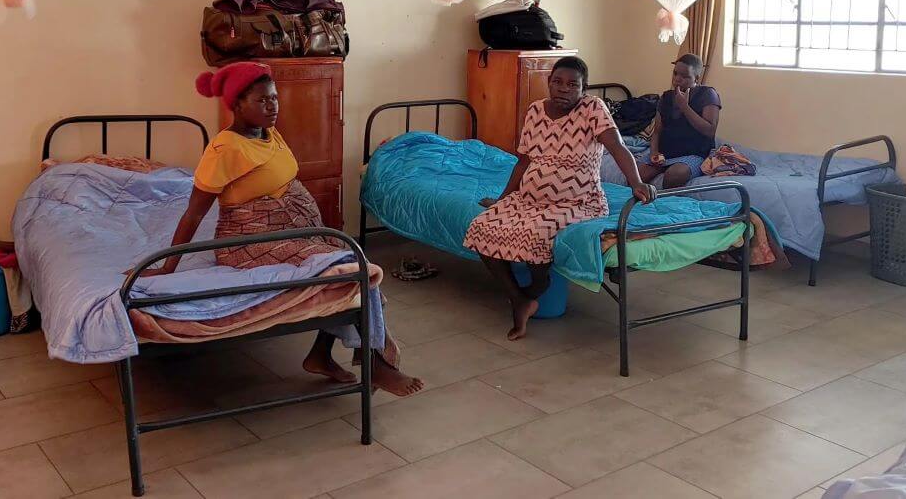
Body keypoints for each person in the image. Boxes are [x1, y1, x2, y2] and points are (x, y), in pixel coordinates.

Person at [139, 61, 424, 396]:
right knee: (348, 266)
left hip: (294, 227)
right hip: (249, 238)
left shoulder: (268, 132)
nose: (272, 106)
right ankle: (379, 362)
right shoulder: (224, 148)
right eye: (262, 101)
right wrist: (167, 266)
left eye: (274, 98)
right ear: (237, 105)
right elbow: (193, 213)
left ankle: (320, 355)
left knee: (345, 264)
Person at [463, 56, 655, 341]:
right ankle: (519, 299)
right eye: (557, 82)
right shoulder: (535, 111)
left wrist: (636, 182)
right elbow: (523, 161)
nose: (563, 89)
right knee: (482, 226)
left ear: (583, 89)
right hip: (530, 198)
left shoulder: (593, 109)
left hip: (579, 201)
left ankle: (534, 292)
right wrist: (503, 199)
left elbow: (617, 147)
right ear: (549, 82)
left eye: (572, 85)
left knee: (535, 234)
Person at [639, 53, 722, 189]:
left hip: (694, 153)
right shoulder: (666, 97)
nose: (677, 79)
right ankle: (639, 207)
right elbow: (657, 132)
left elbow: (710, 130)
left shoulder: (707, 94)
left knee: (675, 175)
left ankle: (665, 206)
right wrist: (654, 152)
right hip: (665, 153)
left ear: (696, 78)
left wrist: (684, 106)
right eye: (675, 73)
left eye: (684, 76)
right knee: (637, 176)